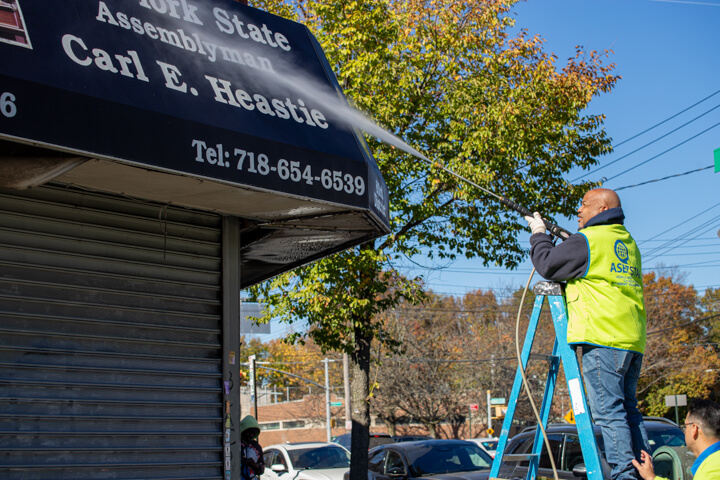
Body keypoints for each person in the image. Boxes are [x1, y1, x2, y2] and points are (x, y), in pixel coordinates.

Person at [524, 188, 649, 480]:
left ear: (602, 208)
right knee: (629, 410)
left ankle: (622, 475)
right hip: (630, 339)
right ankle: (645, 472)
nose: (578, 211)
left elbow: (547, 264)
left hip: (601, 338)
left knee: (608, 412)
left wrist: (539, 234)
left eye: (583, 205)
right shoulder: (626, 241)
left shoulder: (588, 241)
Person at [632, 399, 720, 480]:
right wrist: (651, 477)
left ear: (694, 429)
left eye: (685, 426)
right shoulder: (713, 463)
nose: (684, 431)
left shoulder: (709, 471)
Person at [240, 415, 265, 480]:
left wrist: (255, 466)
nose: (250, 436)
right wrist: (244, 461)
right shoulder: (235, 444)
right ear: (243, 430)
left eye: (253, 434)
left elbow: (262, 467)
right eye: (248, 433)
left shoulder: (256, 447)